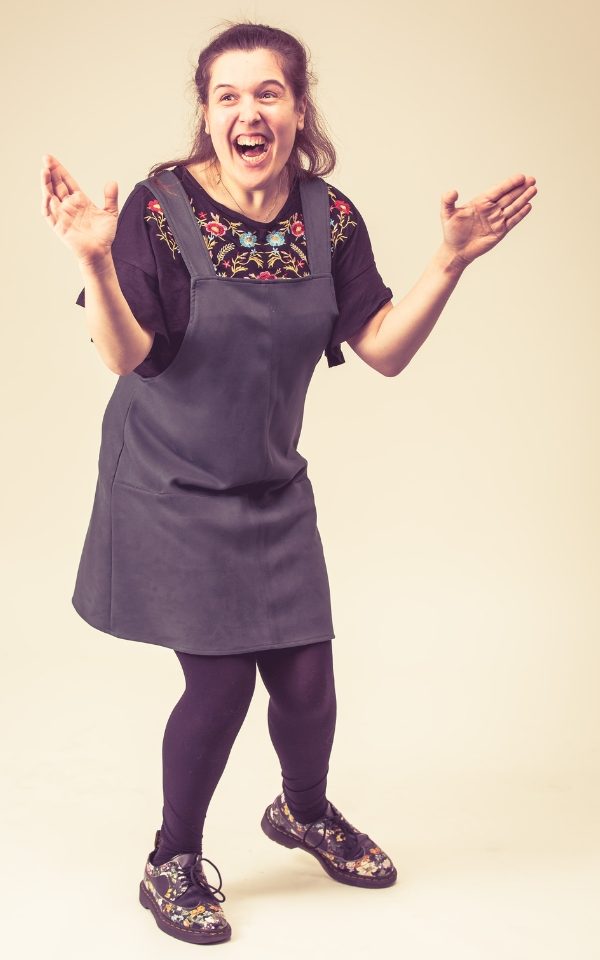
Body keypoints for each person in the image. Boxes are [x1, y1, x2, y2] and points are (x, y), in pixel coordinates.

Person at [41, 20, 536, 948]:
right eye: (227, 95)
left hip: (268, 488)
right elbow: (126, 357)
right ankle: (170, 860)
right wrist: (95, 262)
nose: (247, 112)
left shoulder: (329, 216)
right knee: (223, 681)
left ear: (299, 109)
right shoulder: (154, 209)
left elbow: (381, 349)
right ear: (206, 113)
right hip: (168, 486)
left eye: (267, 92)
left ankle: (301, 812)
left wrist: (450, 261)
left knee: (308, 682)